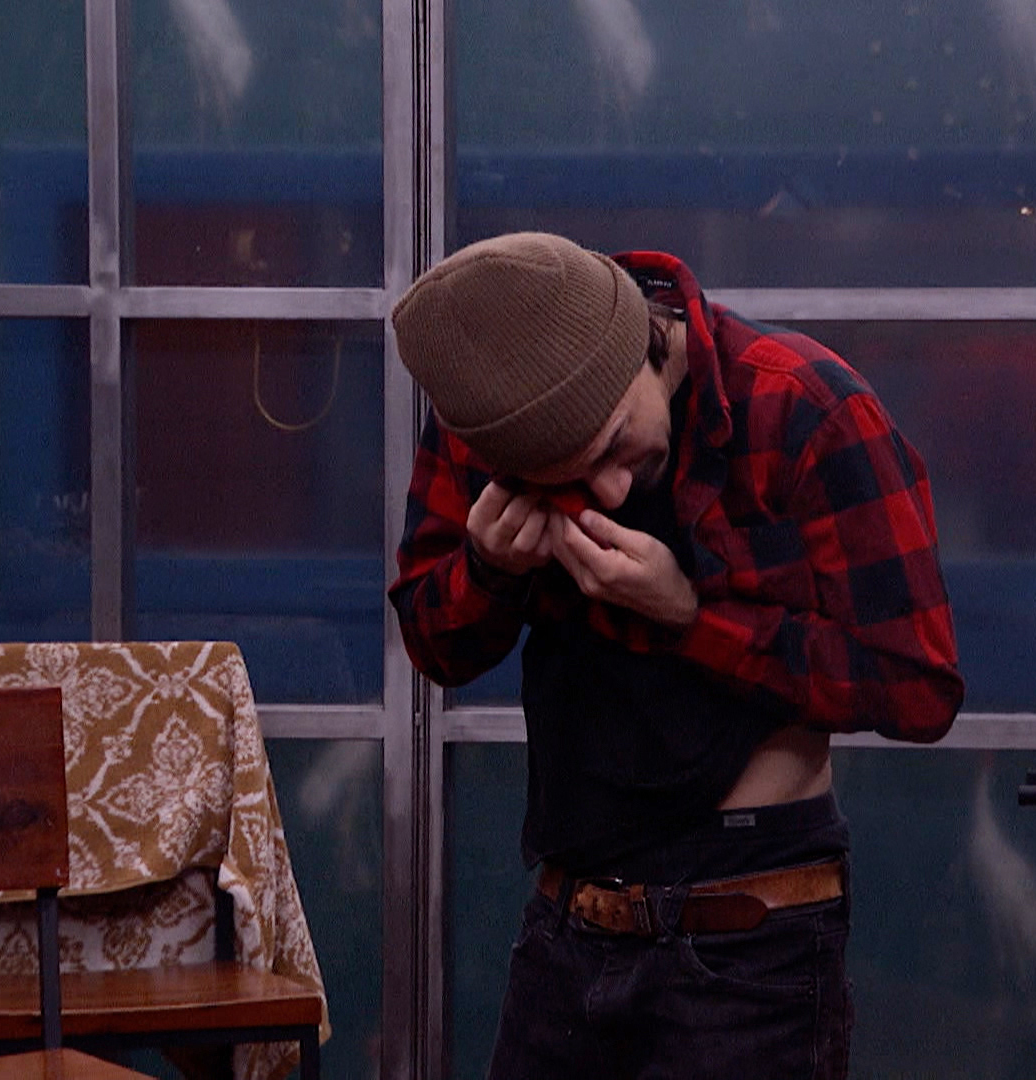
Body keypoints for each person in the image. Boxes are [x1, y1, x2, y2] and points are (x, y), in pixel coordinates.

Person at [388, 232, 963, 1080]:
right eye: (566, 481)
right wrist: (489, 570)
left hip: (747, 933)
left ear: (649, 342)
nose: (612, 489)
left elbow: (917, 686)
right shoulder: (492, 407)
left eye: (615, 443)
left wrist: (690, 615)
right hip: (567, 917)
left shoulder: (802, 405)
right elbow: (433, 645)